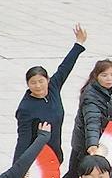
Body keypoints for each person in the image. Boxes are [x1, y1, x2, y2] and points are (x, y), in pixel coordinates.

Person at [14, 26, 86, 163]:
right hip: (37, 159)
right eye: (33, 83)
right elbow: (23, 140)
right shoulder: (25, 109)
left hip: (56, 154)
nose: (38, 86)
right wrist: (17, 168)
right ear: (28, 84)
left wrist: (79, 43)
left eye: (41, 81)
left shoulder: (53, 87)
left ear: (47, 80)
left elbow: (65, 67)